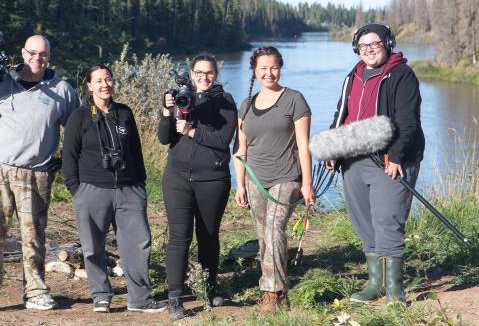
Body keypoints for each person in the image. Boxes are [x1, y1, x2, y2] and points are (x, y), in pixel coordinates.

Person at [0, 34, 79, 312]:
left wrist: (63, 160)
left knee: (34, 235)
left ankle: (35, 292)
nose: (38, 58)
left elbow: (76, 130)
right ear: (23, 53)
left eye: (43, 54)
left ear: (49, 56)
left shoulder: (62, 90)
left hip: (35, 173)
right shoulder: (1, 83)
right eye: (32, 53)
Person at [326, 23, 425, 304]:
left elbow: (407, 121)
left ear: (388, 44)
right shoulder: (353, 75)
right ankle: (375, 284)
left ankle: (394, 290)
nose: (369, 49)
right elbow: (341, 114)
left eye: (375, 44)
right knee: (364, 221)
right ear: (356, 48)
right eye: (363, 45)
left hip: (388, 160)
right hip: (353, 159)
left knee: (388, 221)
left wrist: (396, 156)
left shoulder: (401, 74)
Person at [62, 64, 166, 314]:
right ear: (89, 85)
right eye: (98, 81)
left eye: (108, 79)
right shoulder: (79, 116)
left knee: (138, 244)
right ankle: (100, 295)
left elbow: (136, 152)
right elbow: (69, 156)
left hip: (129, 190)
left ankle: (139, 299)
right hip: (92, 189)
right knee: (92, 246)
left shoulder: (124, 113)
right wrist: (76, 190)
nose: (104, 84)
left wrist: (140, 185)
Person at [233, 46, 314, 313]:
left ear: (280, 68)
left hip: (286, 176)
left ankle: (273, 293)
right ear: (254, 71)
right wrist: (240, 184)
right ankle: (277, 283)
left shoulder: (294, 99)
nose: (269, 73)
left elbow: (304, 145)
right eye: (263, 68)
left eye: (274, 67)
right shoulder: (246, 105)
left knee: (273, 228)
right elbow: (241, 150)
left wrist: (307, 183)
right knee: (263, 235)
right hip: (256, 178)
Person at [157, 53, 237, 321]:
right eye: (199, 72)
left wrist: (192, 131)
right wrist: (167, 112)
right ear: (191, 73)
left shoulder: (225, 101)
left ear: (216, 74)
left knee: (208, 235)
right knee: (179, 237)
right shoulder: (181, 97)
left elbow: (223, 139)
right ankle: (175, 298)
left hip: (212, 179)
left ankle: (208, 288)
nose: (204, 77)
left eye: (209, 72)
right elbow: (164, 138)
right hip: (177, 178)